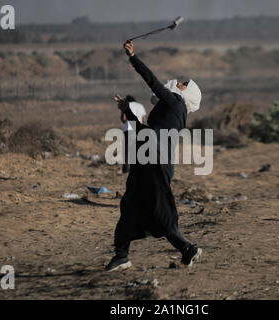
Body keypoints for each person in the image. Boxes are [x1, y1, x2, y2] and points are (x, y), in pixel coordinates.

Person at [106, 40, 202, 272]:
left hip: (156, 162)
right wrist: (127, 111)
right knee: (131, 204)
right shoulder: (169, 109)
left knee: (157, 209)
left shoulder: (176, 102)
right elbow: (149, 132)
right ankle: (121, 255)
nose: (177, 83)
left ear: (185, 92)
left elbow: (153, 82)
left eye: (182, 83)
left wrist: (133, 58)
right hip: (148, 158)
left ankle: (187, 248)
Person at [121, 95, 146, 173]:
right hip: (140, 130)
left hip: (129, 129)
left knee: (127, 151)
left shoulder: (126, 106)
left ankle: (126, 169)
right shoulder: (140, 106)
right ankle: (140, 169)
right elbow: (144, 119)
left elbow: (124, 119)